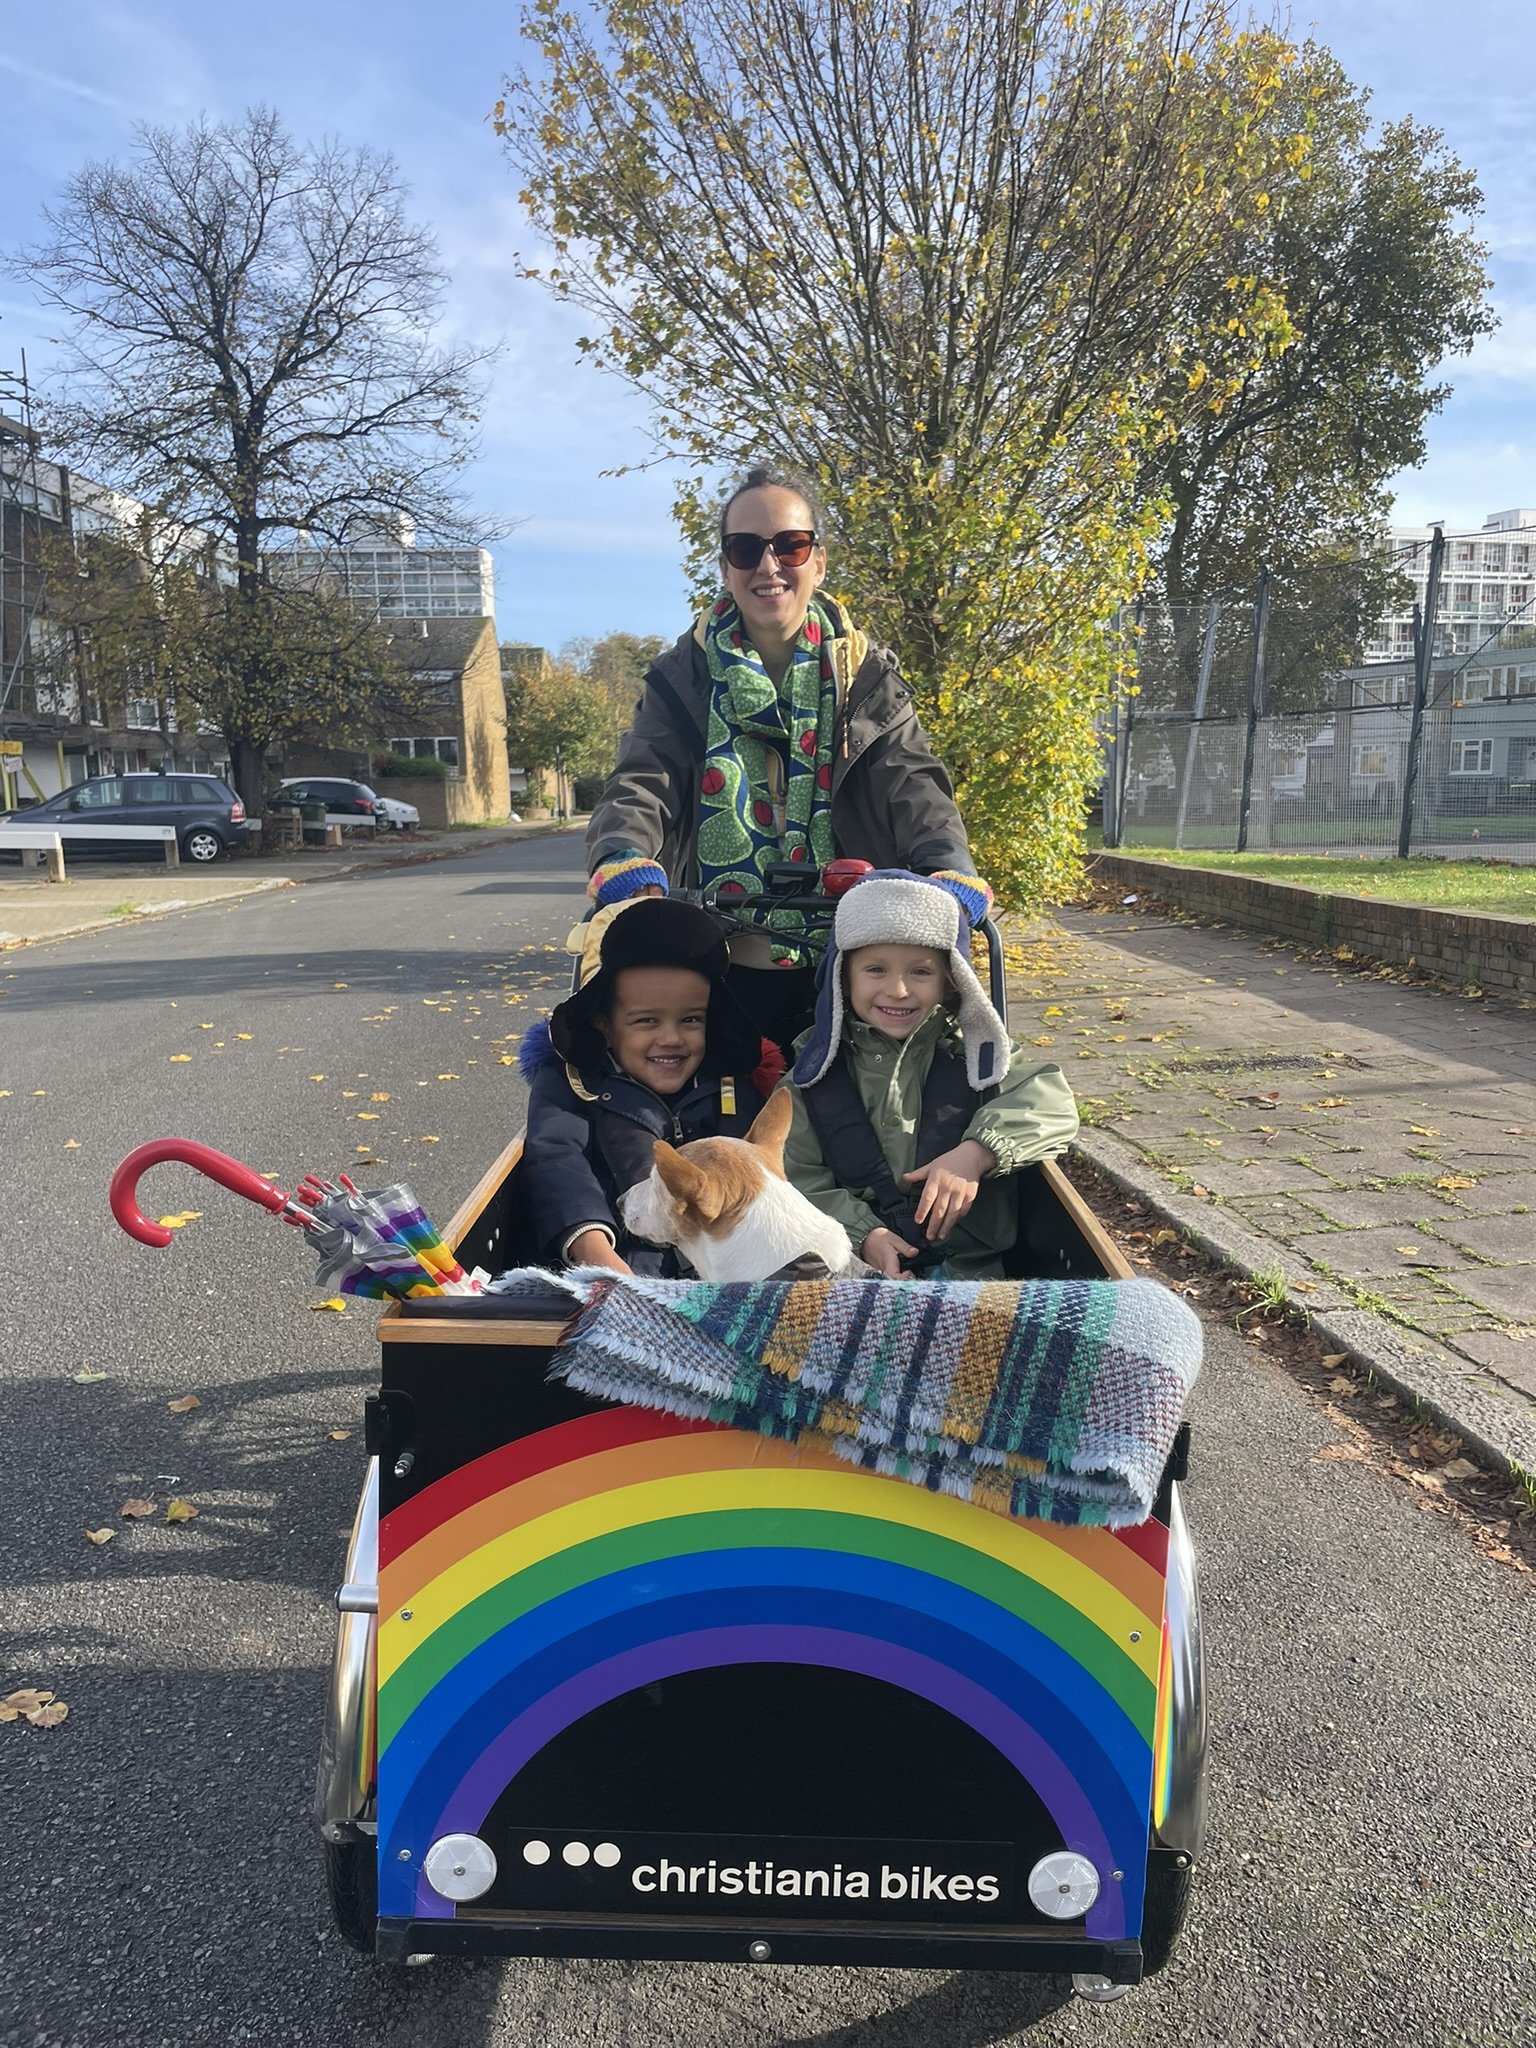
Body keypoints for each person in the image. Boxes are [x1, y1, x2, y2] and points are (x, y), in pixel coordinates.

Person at [585, 464, 985, 1053]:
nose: (768, 566)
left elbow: (913, 781)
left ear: (817, 562)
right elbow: (643, 779)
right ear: (726, 567)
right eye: (745, 549)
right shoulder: (681, 679)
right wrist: (622, 854)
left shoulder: (867, 677)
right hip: (718, 949)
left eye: (790, 546)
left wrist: (947, 862)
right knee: (705, 1088)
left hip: (851, 951)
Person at [777, 871, 1079, 1280]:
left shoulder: (979, 1057)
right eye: (876, 970)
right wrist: (863, 1235)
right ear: (843, 978)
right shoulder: (813, 1075)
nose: (898, 990)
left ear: (951, 982)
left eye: (921, 972)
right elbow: (792, 1176)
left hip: (971, 1273)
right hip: (850, 1266)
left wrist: (977, 1153)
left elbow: (1051, 1102)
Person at [517, 895, 783, 1275]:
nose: (671, 1039)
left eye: (690, 1020)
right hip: (617, 1262)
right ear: (604, 1025)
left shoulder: (731, 1090)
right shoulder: (573, 1086)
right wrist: (596, 1253)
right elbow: (557, 1161)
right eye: (647, 1021)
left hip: (720, 1271)